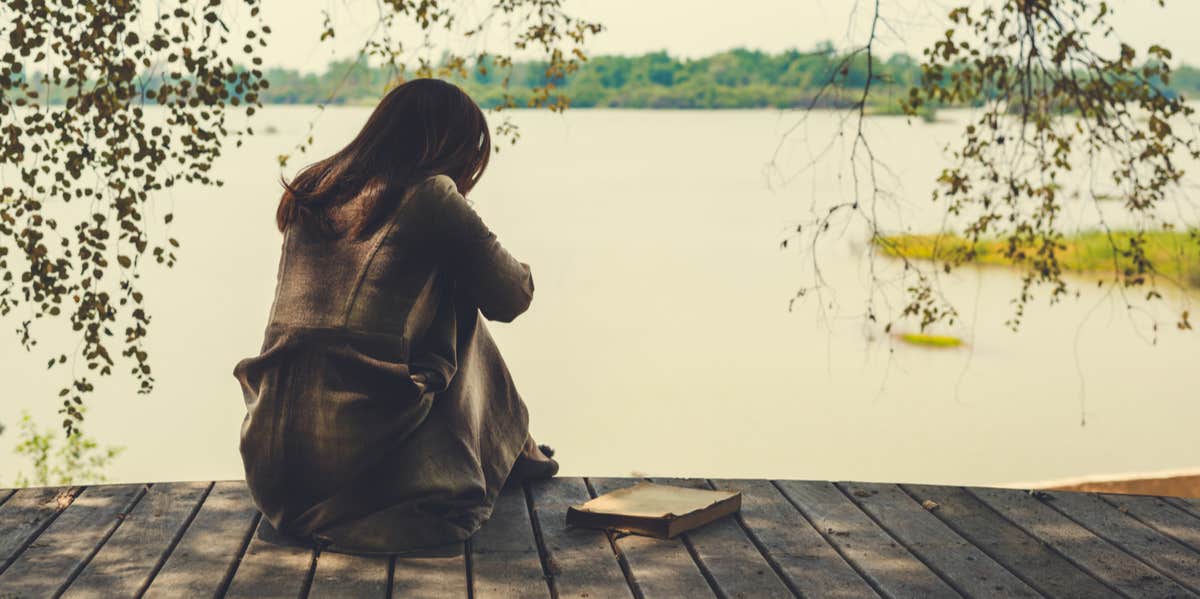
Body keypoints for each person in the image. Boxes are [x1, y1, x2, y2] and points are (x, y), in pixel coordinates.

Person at [232, 78, 557, 556]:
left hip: (274, 466)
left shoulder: (312, 189)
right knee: (459, 301)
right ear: (449, 147)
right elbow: (511, 296)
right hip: (357, 466)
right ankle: (515, 450)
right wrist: (468, 244)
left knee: (435, 288)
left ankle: (518, 449)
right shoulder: (429, 195)